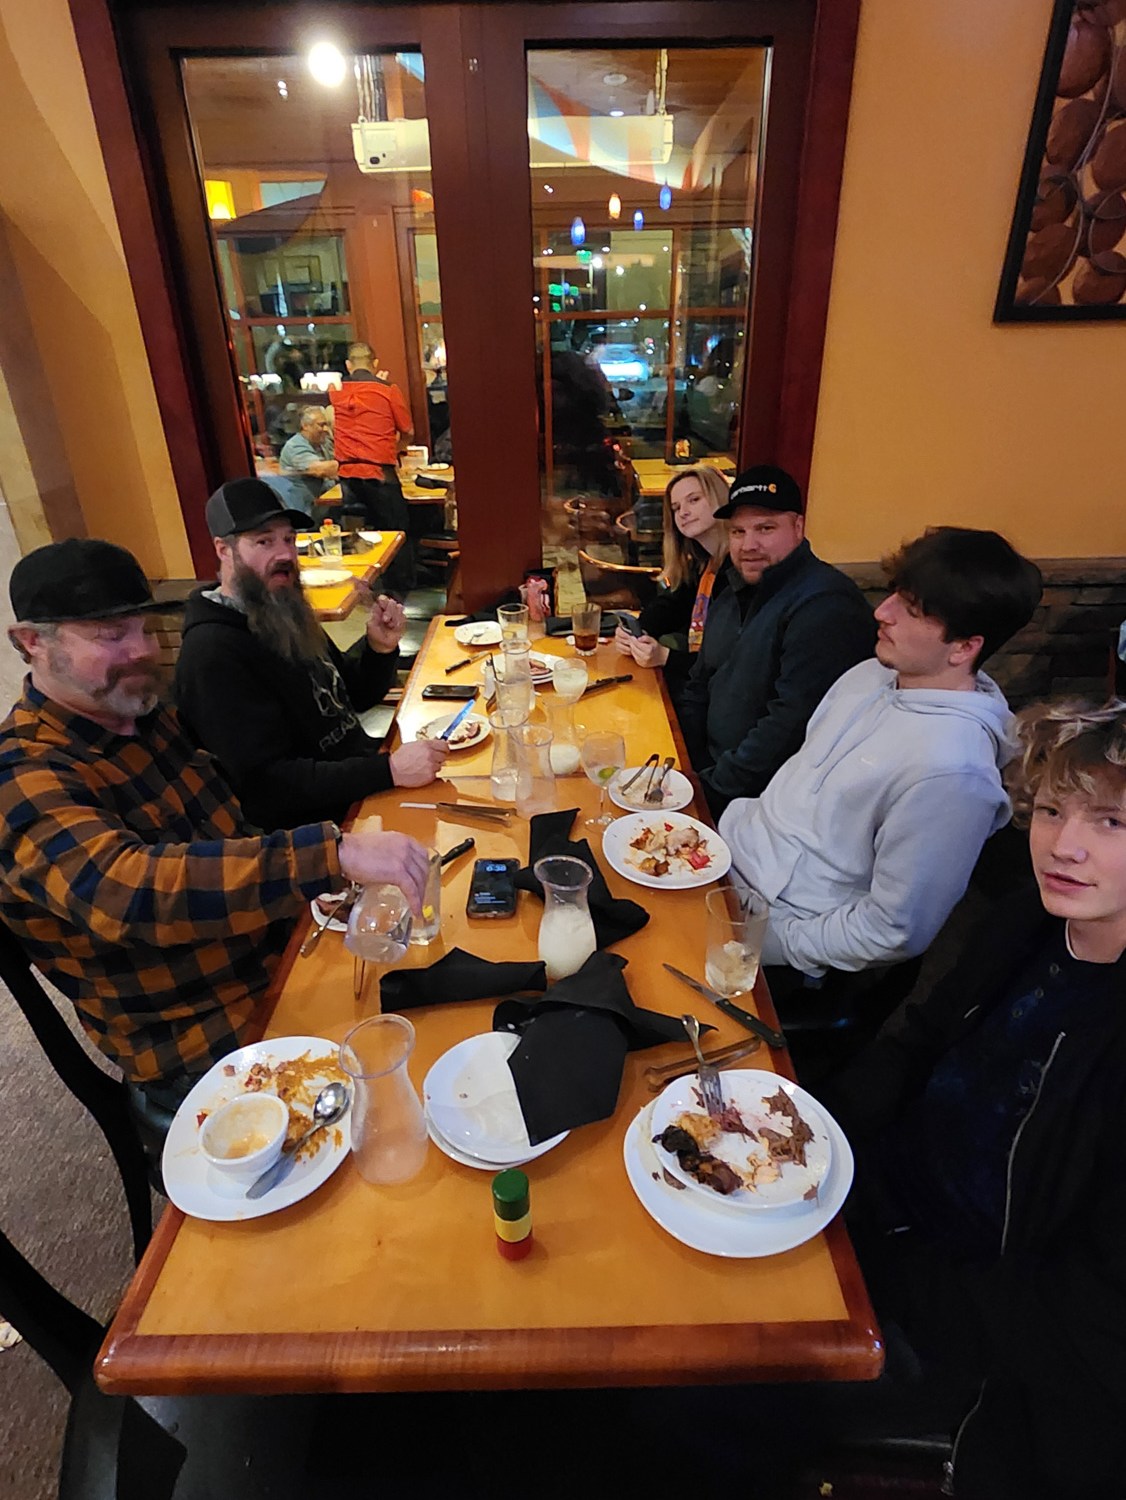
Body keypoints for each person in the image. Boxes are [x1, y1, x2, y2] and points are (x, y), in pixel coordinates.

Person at [0, 536, 430, 1109]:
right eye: (111, 635)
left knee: (444, 982)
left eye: (144, 629)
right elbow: (127, 890)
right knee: (408, 1086)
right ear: (31, 642)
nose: (141, 650)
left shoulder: (142, 717)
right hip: (200, 1030)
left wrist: (319, 886)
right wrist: (330, 854)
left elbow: (226, 829)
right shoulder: (21, 772)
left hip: (277, 954)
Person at [823, 697, 1126, 1499]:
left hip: (968, 1323)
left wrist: (893, 1273)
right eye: (1052, 810)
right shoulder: (1030, 919)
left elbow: (1090, 1315)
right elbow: (918, 1040)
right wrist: (815, 1136)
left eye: (1111, 824)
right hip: (872, 1205)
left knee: (700, 1393)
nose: (1064, 846)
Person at [718, 526, 1043, 1007]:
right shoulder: (872, 673)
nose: (881, 611)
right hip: (724, 863)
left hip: (780, 939)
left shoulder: (952, 772)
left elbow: (894, 929)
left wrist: (770, 943)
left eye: (911, 609)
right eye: (895, 593)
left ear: (964, 647)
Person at [175, 478, 447, 833]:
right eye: (264, 541)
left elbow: (351, 697)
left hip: (361, 789)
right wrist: (388, 771)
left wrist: (379, 649)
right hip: (318, 835)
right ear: (224, 550)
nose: (285, 555)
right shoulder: (212, 653)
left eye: (289, 539)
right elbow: (268, 786)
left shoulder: (280, 608)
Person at [675, 463, 875, 815]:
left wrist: (706, 791)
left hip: (765, 801)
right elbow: (698, 685)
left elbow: (789, 725)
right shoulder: (733, 589)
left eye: (765, 528)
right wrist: (683, 764)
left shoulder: (825, 604)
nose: (749, 545)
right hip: (710, 774)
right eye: (738, 532)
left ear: (798, 527)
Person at [612, 465, 730, 698]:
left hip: (718, 699)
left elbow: (728, 665)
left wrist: (665, 657)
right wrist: (636, 632)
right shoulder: (702, 562)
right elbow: (671, 605)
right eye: (676, 508)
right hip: (698, 691)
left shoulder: (740, 571)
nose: (683, 512)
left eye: (694, 500)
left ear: (721, 499)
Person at [330, 341, 415, 594]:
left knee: (357, 535)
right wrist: (395, 449)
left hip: (347, 476)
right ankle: (398, 591)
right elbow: (407, 431)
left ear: (348, 365)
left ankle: (361, 588)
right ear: (375, 364)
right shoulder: (387, 390)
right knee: (396, 533)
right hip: (379, 474)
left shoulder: (336, 391)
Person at [279, 403, 338, 508]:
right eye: (321, 425)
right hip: (303, 509)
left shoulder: (322, 443)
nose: (326, 429)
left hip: (322, 504)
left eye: (327, 425)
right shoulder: (295, 446)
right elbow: (320, 470)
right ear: (305, 426)